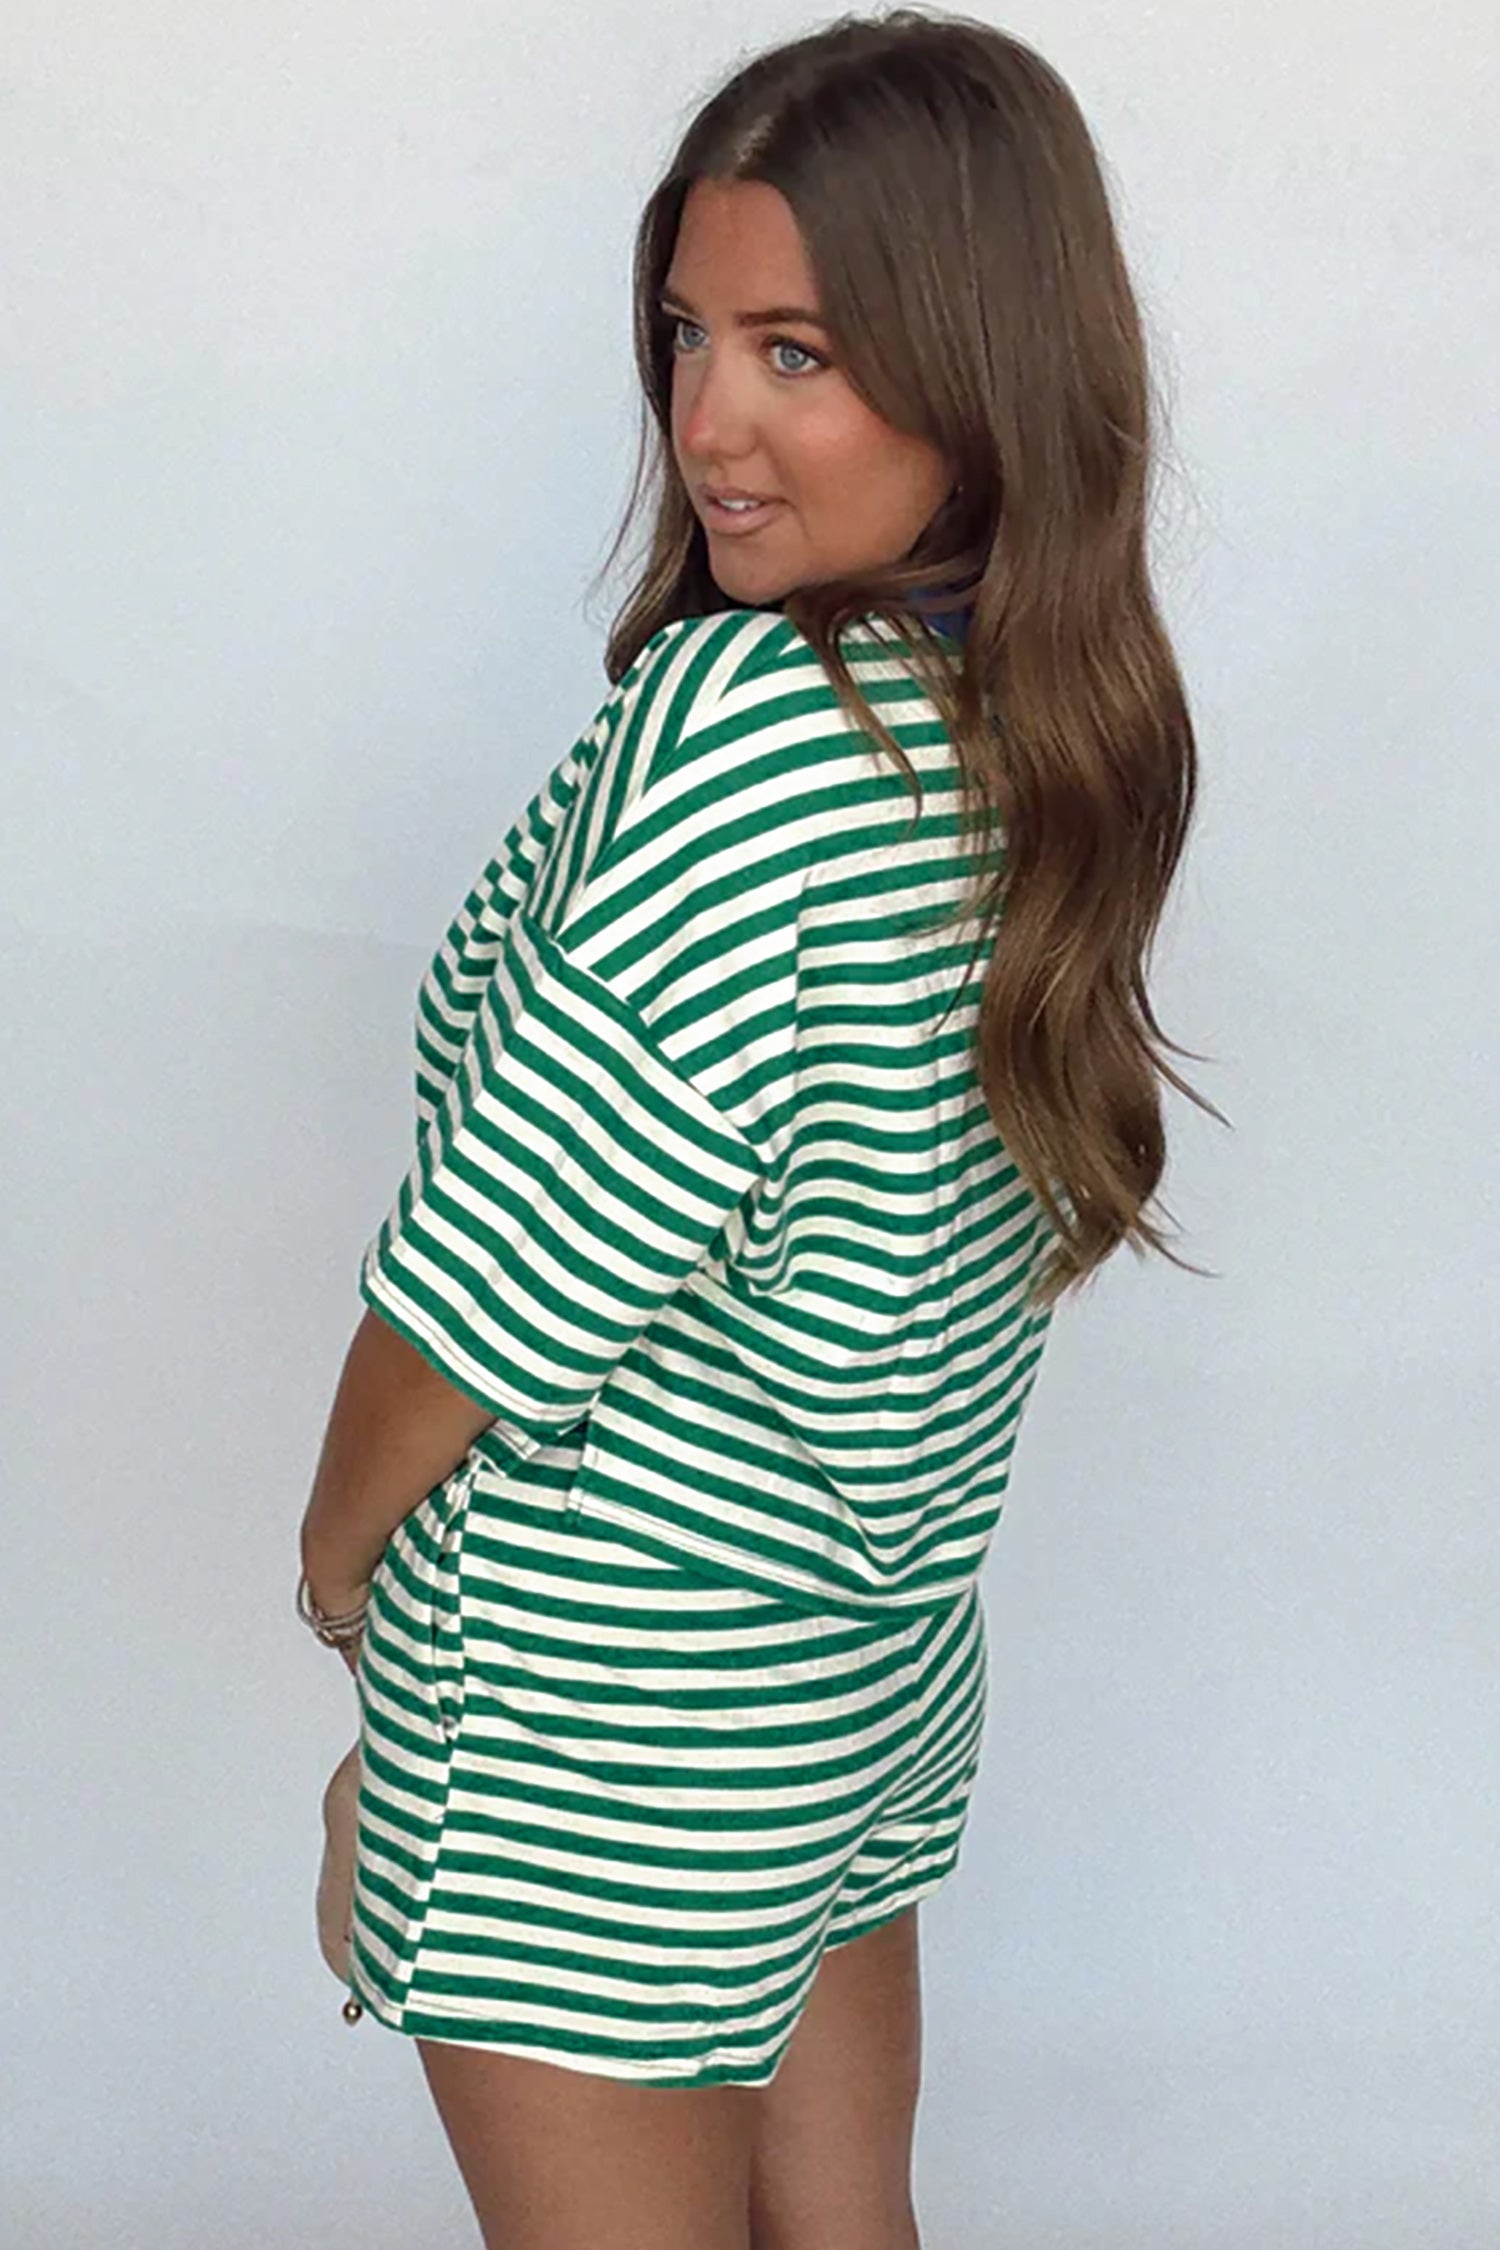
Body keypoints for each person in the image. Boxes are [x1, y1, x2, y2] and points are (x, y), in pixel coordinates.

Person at [297, 10, 1217, 2246]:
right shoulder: (1030, 725)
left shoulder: (752, 725)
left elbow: (502, 1276)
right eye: (690, 335)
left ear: (980, 373)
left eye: (797, 351)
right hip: (845, 1677)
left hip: (599, 1717)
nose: (709, 421)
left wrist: (336, 1575)